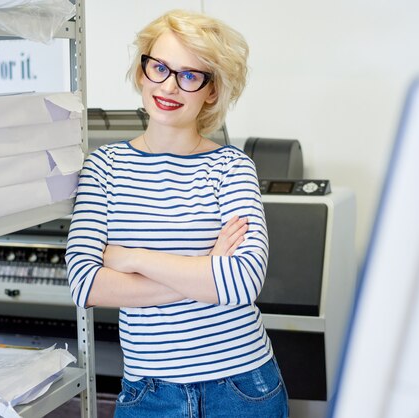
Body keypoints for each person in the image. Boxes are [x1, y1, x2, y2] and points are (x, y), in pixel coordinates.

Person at [65, 9, 288, 418]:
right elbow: (85, 284)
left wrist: (133, 258)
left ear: (212, 90)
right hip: (149, 394)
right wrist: (206, 269)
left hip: (242, 388)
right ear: (141, 71)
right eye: (160, 67)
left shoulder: (233, 167)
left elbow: (242, 281)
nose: (170, 85)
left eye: (190, 75)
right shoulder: (104, 167)